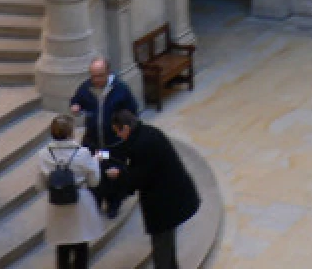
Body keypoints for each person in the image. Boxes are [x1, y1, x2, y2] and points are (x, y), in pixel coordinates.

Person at [106, 110, 200, 269]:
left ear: (126, 128)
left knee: (162, 250)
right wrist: (103, 156)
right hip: (172, 198)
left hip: (164, 203)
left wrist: (119, 175)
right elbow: (126, 155)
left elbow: (139, 178)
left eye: (118, 132)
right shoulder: (147, 132)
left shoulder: (142, 144)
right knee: (167, 247)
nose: (119, 136)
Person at [69, 57, 139, 217]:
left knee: (114, 174)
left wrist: (124, 129)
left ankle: (114, 203)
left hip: (114, 145)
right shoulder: (86, 88)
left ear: (108, 73)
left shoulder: (121, 89)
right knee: (95, 173)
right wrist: (75, 106)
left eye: (100, 76)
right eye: (93, 76)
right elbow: (76, 99)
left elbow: (132, 112)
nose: (96, 80)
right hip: (94, 143)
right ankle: (97, 200)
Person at [36, 115, 104, 269]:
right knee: (81, 248)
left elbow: (40, 185)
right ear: (70, 133)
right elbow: (94, 181)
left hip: (57, 206)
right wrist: (96, 162)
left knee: (62, 248)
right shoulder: (83, 153)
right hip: (80, 203)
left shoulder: (43, 154)